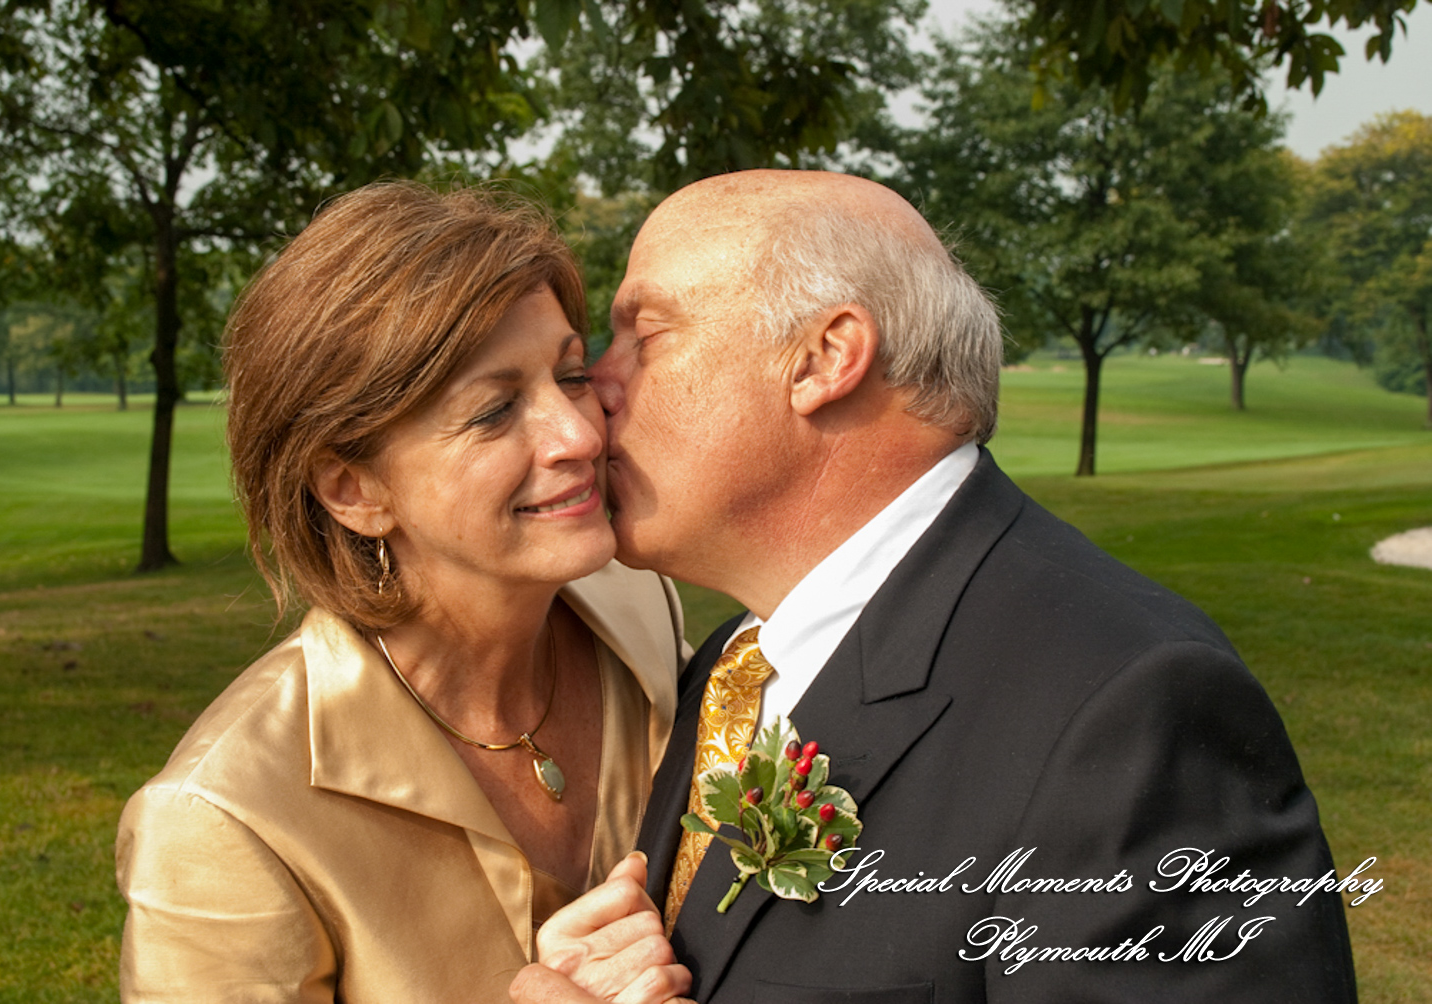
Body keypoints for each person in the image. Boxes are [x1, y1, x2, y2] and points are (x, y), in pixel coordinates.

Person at [512, 170, 1356, 1002]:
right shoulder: (739, 662)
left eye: (644, 335)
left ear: (824, 357)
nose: (594, 387)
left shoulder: (1130, 711)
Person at [114, 182, 694, 1001]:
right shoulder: (221, 818)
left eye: (569, 376)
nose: (580, 434)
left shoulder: (642, 615)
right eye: (494, 411)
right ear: (354, 489)